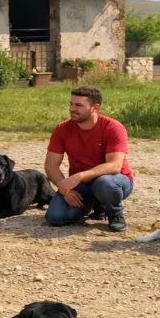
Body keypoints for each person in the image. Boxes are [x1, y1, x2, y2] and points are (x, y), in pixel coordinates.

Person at [44, 86, 135, 232]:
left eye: (79, 105)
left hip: (115, 181)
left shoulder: (113, 128)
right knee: (55, 217)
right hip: (83, 185)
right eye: (71, 104)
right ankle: (95, 203)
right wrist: (64, 189)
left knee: (104, 183)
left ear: (95, 107)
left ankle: (115, 214)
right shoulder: (62, 129)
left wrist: (79, 176)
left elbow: (114, 166)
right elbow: (50, 166)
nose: (72, 109)